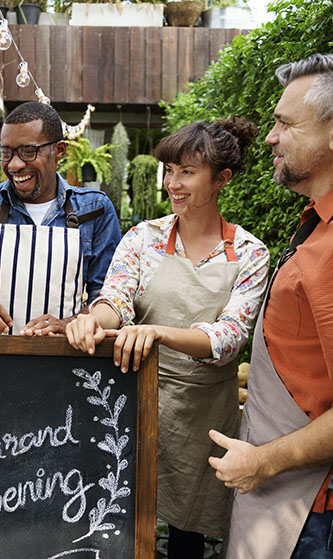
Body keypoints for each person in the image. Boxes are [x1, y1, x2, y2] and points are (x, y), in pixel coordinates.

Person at [66, 117, 270, 558]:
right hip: (134, 395)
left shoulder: (250, 254)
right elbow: (116, 299)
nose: (172, 184)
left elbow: (228, 337)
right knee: (117, 515)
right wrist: (94, 321)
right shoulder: (144, 238)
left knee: (186, 532)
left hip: (201, 412)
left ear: (222, 179)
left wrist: (157, 332)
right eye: (169, 170)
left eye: (187, 172)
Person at [209, 54, 333, 559]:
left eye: (284, 123)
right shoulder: (314, 223)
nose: (268, 137)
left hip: (309, 515)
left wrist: (264, 460)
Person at [0, 101, 121, 335]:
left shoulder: (95, 208)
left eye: (28, 152)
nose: (14, 165)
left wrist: (68, 324)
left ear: (58, 150)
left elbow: (107, 298)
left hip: (66, 358)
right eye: (6, 153)